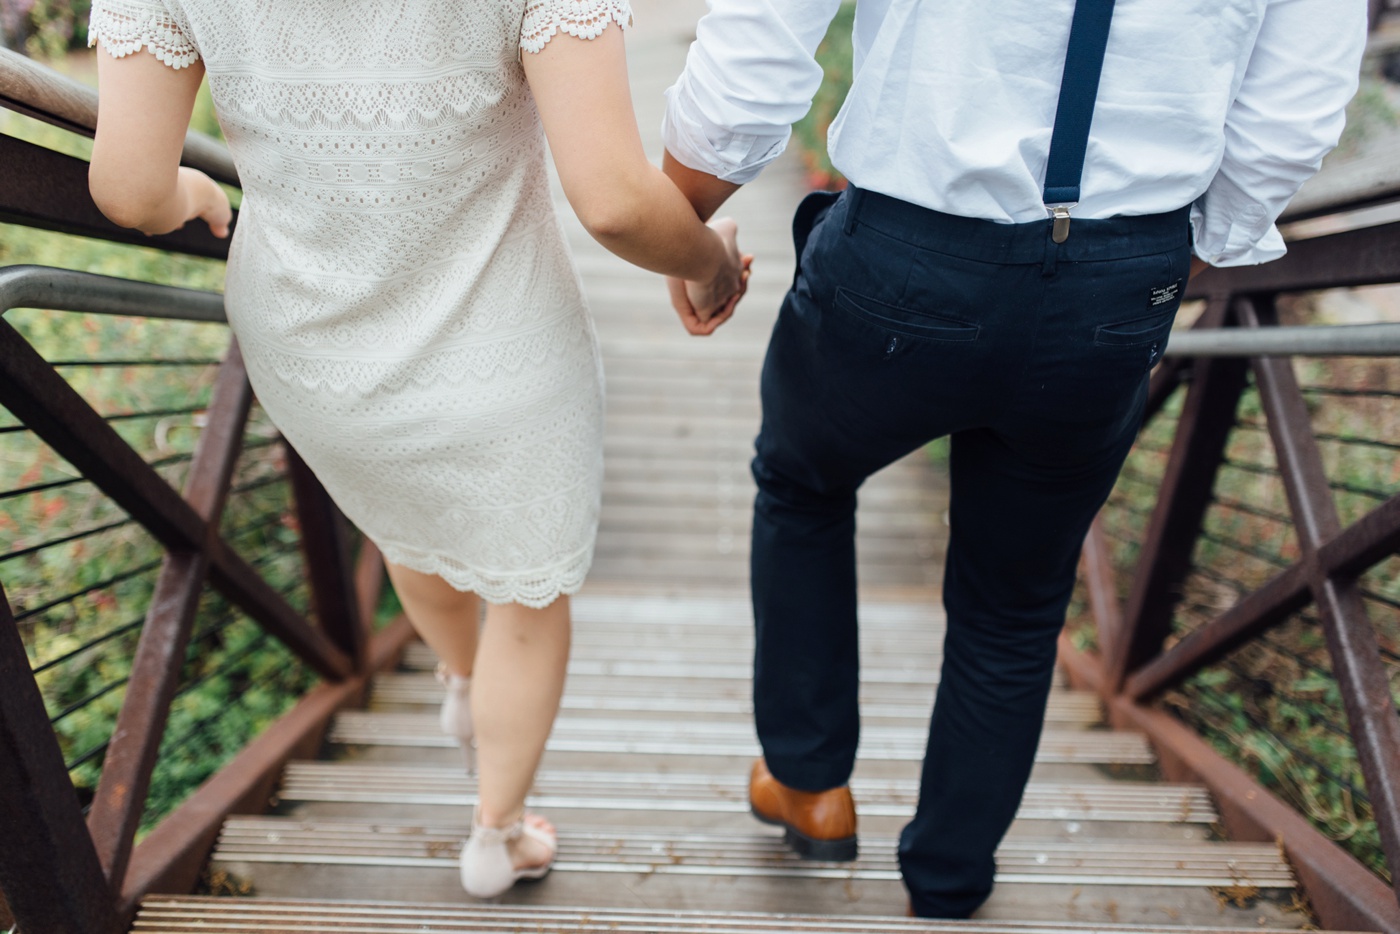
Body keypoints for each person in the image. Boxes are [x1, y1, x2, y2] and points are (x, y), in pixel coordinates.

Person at [658, 0, 1368, 918]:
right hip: (1123, 270)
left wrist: (681, 217)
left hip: (906, 255)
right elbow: (1292, 109)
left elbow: (762, 38)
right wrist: (1173, 250)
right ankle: (950, 874)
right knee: (1016, 602)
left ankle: (808, 784)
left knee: (803, 482)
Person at [85, 0, 748, 901]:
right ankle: (496, 837)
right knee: (527, 593)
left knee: (405, 519)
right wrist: (709, 263)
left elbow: (126, 187)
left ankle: (463, 680)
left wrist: (194, 193)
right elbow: (616, 199)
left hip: (311, 349)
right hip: (500, 345)